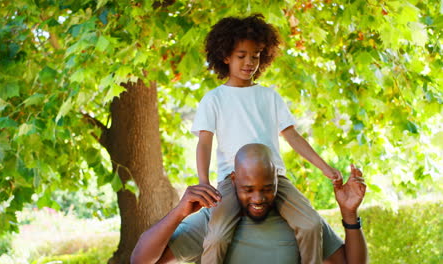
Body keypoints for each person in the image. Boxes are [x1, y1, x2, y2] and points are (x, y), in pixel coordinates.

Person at [192, 14, 342, 264]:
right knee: (216, 236)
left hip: (275, 179)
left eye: (256, 55)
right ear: (226, 56)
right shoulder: (214, 99)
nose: (249, 62)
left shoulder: (270, 97)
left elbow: (292, 136)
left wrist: (325, 168)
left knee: (311, 224)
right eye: (242, 56)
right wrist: (204, 182)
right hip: (232, 180)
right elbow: (204, 142)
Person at [130, 143, 368, 264]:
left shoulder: (302, 222)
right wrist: (178, 214)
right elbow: (141, 260)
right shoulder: (212, 222)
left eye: (267, 188)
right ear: (233, 181)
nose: (258, 199)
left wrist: (349, 214)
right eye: (248, 189)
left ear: (278, 180)